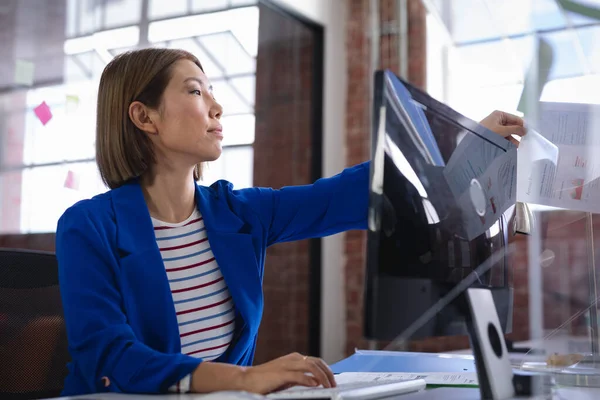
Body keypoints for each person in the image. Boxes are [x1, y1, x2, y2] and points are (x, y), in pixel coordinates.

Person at [55, 48, 526, 396]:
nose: (217, 107)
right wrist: (246, 379)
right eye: (196, 91)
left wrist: (463, 147)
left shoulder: (237, 213)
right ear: (144, 117)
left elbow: (342, 195)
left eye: (214, 92)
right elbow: (110, 356)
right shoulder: (87, 226)